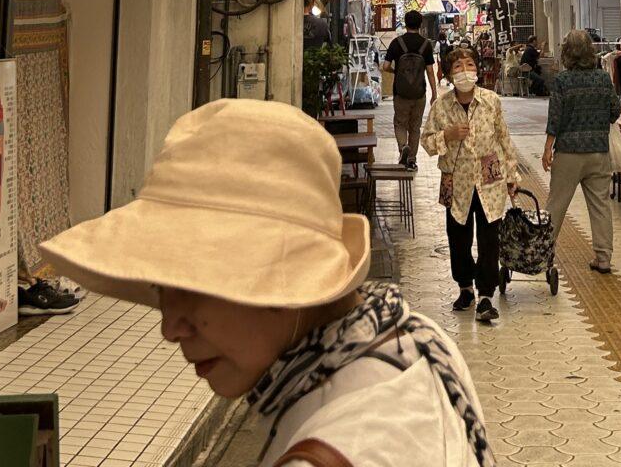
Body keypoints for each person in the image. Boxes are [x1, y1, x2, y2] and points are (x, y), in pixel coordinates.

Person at [39, 101, 494, 466]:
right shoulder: (410, 339)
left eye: (193, 285)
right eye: (161, 289)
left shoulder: (346, 439)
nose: (170, 327)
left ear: (288, 281)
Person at [422, 46, 520, 326]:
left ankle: (486, 295)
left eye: (469, 65)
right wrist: (447, 135)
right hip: (455, 178)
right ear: (449, 75)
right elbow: (427, 143)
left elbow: (504, 139)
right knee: (458, 236)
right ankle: (465, 288)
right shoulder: (441, 106)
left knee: (490, 237)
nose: (465, 71)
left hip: (490, 176)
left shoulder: (491, 101)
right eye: (457, 67)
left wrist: (512, 176)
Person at [541, 29, 621, 273]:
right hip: (598, 152)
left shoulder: (563, 81)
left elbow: (555, 117)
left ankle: (542, 254)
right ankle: (603, 258)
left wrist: (548, 148)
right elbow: (615, 111)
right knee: (600, 205)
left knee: (556, 204)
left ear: (567, 52)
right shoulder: (603, 78)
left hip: (568, 153)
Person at [385, 10, 437, 169]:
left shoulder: (396, 42)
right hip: (419, 92)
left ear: (405, 23)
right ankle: (412, 159)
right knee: (415, 127)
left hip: (400, 93)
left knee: (400, 123)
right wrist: (434, 93)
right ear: (420, 24)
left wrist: (397, 71)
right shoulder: (425, 44)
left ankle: (403, 147)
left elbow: (385, 66)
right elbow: (429, 71)